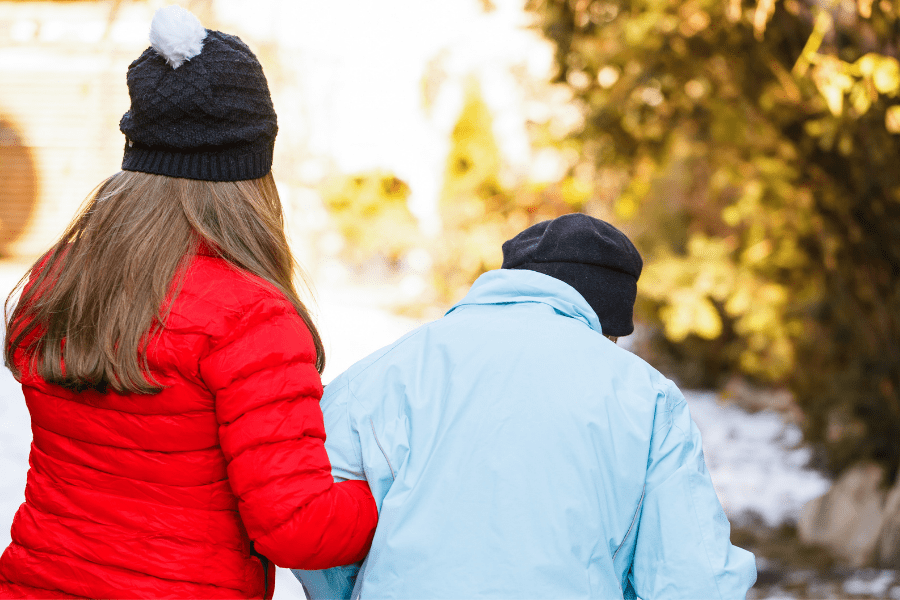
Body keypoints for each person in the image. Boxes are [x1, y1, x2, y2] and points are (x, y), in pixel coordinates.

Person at [0, 6, 376, 598]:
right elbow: (299, 529)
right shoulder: (251, 318)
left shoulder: (60, 280)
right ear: (251, 175)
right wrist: (387, 492)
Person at [293, 213, 758, 599]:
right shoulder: (645, 396)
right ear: (607, 320)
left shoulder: (385, 372)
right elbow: (696, 580)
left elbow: (313, 523)